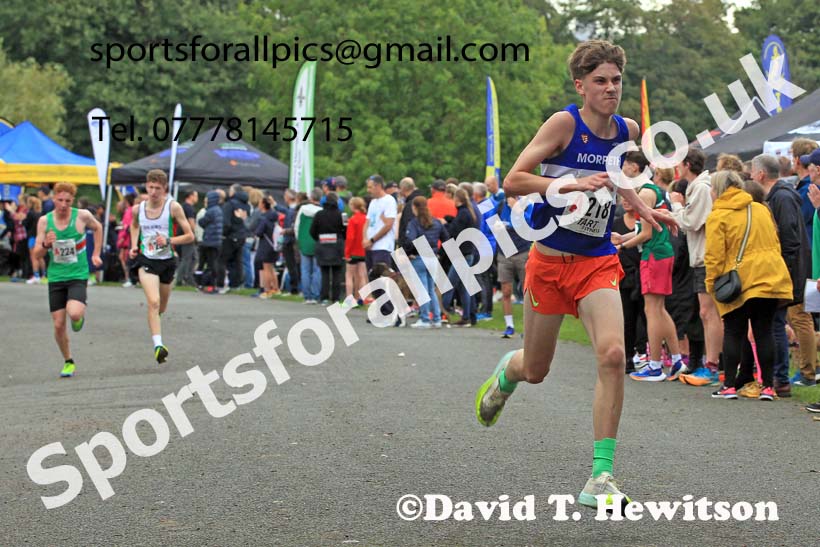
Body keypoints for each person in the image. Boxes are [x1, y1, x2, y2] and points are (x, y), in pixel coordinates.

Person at [473, 40, 677, 510]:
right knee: (536, 370)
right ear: (580, 85)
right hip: (549, 262)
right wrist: (569, 183)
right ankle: (507, 374)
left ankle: (600, 477)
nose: (611, 89)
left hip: (596, 262)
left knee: (612, 355)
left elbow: (618, 179)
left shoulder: (627, 129)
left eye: (617, 80)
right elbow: (514, 180)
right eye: (600, 81)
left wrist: (645, 210)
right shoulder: (564, 124)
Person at [704, 171, 792, 400]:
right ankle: (768, 387)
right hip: (770, 276)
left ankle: (729, 386)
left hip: (739, 280)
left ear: (719, 189)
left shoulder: (718, 215)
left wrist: (712, 284)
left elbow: (714, 256)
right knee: (764, 331)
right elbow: (775, 242)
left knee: (734, 331)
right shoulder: (760, 209)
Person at [32, 182, 103, 378]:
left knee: (75, 313)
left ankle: (78, 318)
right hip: (56, 277)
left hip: (77, 274)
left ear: (73, 201)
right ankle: (68, 360)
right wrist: (46, 244)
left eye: (68, 201)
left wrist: (96, 253)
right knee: (58, 325)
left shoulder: (82, 216)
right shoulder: (44, 221)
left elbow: (98, 227)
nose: (63, 204)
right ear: (54, 198)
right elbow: (36, 254)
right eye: (60, 200)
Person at [128, 169, 195, 363]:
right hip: (146, 259)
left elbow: (190, 236)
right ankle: (158, 345)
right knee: (154, 302)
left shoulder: (173, 207)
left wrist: (168, 240)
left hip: (167, 261)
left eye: (158, 188)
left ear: (164, 188)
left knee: (161, 307)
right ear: (146, 186)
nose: (153, 192)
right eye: (150, 187)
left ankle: (155, 321)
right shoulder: (138, 209)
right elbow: (134, 225)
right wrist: (134, 245)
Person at [403, 196, 450, 328]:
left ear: (414, 208)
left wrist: (409, 253)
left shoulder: (414, 223)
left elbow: (409, 240)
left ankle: (424, 319)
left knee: (422, 290)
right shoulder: (436, 222)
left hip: (419, 257)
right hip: (432, 257)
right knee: (431, 289)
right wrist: (439, 253)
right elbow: (446, 239)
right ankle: (436, 318)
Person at [344, 197, 368, 307]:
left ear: (353, 206)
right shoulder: (366, 218)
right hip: (363, 250)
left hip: (353, 251)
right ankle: (362, 298)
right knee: (362, 275)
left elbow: (350, 238)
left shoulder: (353, 220)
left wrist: (347, 253)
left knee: (349, 275)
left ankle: (349, 300)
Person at [176, 190, 199, 286]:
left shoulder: (183, 206)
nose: (197, 198)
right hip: (188, 236)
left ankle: (188, 277)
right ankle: (180, 279)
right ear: (190, 196)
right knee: (187, 258)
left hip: (181, 234)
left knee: (194, 258)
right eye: (196, 195)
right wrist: (195, 235)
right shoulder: (189, 208)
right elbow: (191, 223)